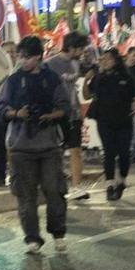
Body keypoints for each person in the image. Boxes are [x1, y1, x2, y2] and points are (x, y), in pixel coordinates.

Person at [0, 37, 75, 254]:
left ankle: (58, 234)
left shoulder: (52, 79)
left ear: (38, 57)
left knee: (55, 191)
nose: (22, 61)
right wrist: (16, 113)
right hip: (21, 147)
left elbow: (65, 107)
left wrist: (51, 115)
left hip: (49, 146)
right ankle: (32, 238)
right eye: (20, 56)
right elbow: (0, 110)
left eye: (26, 57)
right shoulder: (13, 81)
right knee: (25, 195)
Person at [89, 53, 135, 201]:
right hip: (104, 121)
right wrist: (88, 79)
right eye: (102, 59)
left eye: (107, 59)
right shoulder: (99, 77)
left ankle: (121, 180)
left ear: (116, 61)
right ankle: (109, 185)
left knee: (124, 154)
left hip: (124, 121)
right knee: (109, 152)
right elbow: (88, 94)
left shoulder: (126, 77)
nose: (104, 62)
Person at [46, 32, 91, 202]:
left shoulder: (77, 64)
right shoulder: (51, 64)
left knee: (76, 150)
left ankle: (76, 187)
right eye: (80, 49)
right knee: (55, 151)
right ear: (71, 48)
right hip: (56, 114)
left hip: (74, 113)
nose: (82, 53)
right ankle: (55, 185)